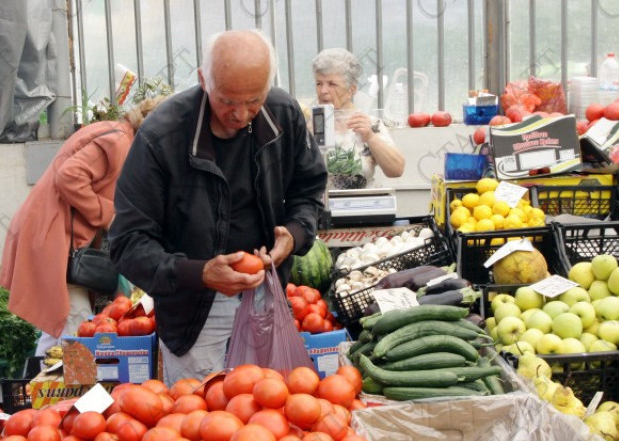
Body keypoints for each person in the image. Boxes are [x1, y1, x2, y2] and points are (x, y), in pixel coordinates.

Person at [108, 30, 328, 385]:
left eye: (254, 100)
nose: (240, 114)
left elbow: (309, 190)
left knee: (269, 419)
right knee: (200, 425)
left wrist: (296, 233)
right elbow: (127, 242)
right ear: (202, 80)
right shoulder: (161, 137)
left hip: (265, 295)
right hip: (193, 313)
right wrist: (199, 273)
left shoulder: (283, 115)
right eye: (227, 100)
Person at [0, 98, 165, 356]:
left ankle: (42, 390)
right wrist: (108, 215)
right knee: (76, 327)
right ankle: (62, 391)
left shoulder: (121, 137)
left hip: (55, 235)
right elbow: (69, 176)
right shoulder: (118, 142)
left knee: (63, 327)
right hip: (54, 237)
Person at [312, 48, 405, 179]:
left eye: (332, 84)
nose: (323, 90)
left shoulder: (369, 124)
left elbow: (396, 170)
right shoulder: (308, 124)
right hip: (320, 199)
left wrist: (370, 137)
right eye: (319, 83)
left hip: (363, 199)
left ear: (352, 89)